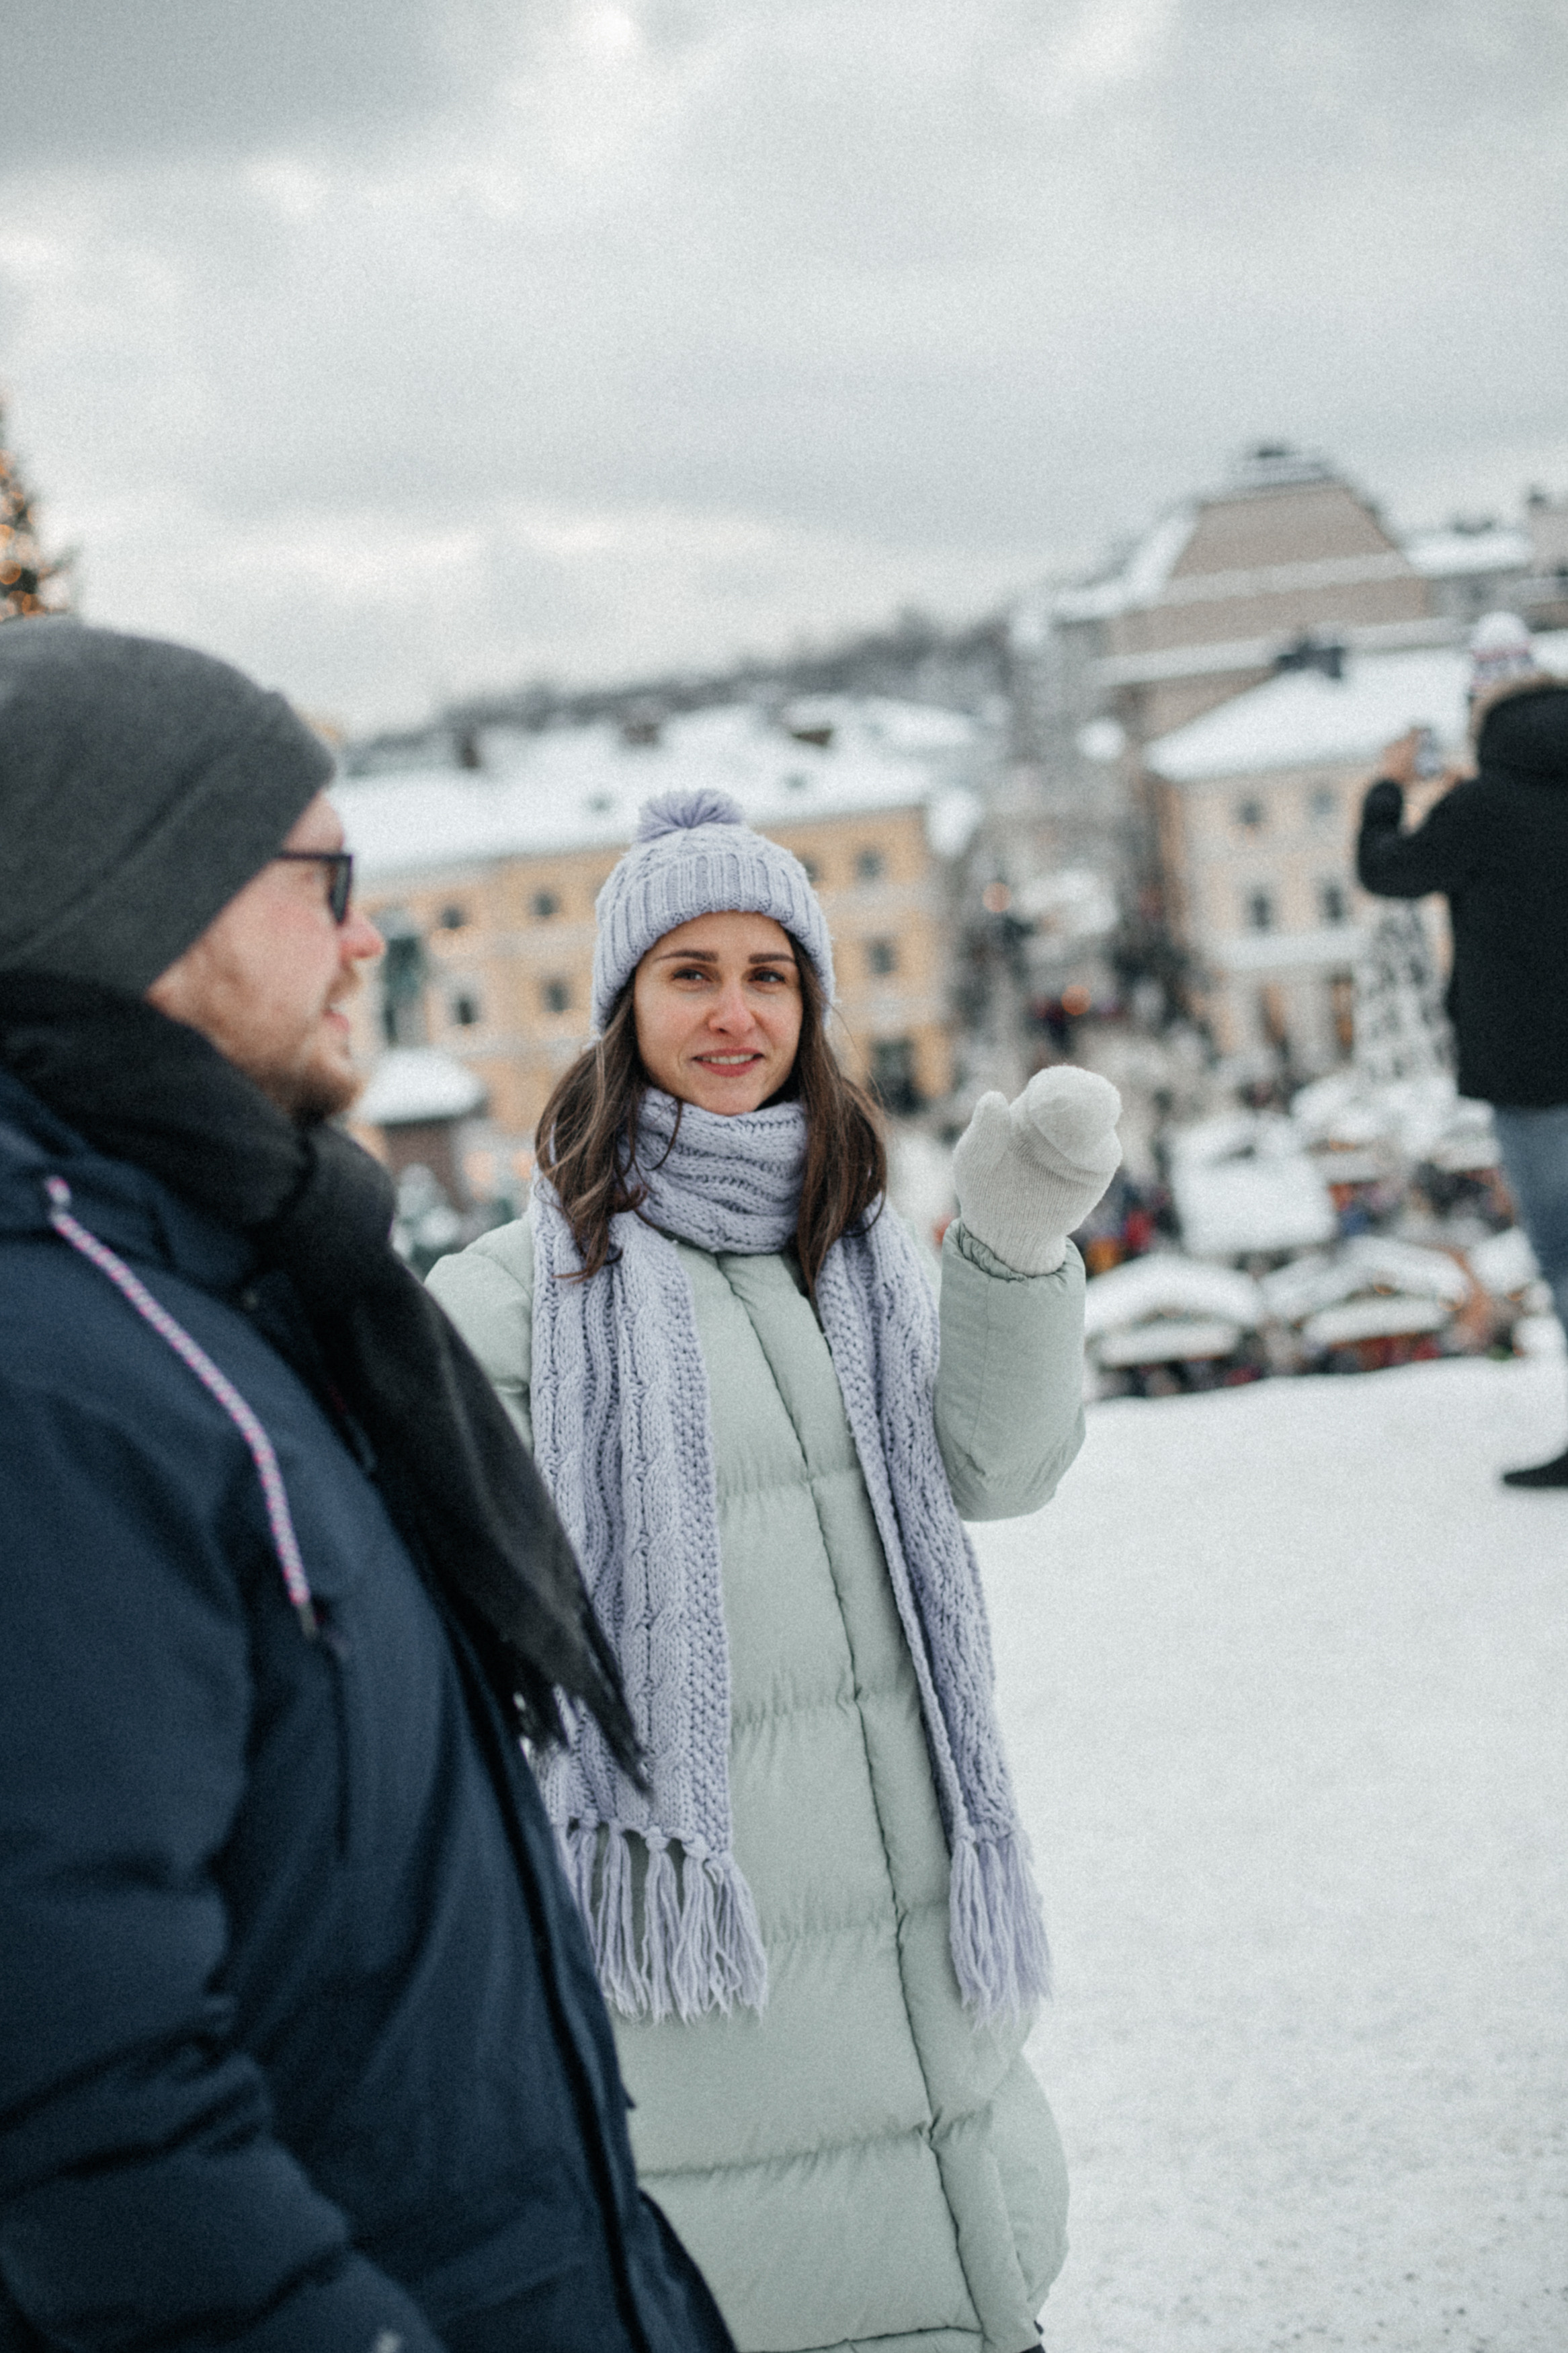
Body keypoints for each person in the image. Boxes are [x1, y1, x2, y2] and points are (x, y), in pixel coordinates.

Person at [0, 619, 734, 2353]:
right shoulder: (57, 1374)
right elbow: (74, 2079)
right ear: (135, 898)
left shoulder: (222, 1289)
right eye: (325, 877)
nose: (368, 935)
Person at [429, 788, 1121, 2353]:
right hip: (706, 2003)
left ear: (811, 1001)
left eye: (769, 971)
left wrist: (1012, 1255)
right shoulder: (511, 1303)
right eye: (689, 971)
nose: (734, 1010)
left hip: (927, 1976)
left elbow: (1003, 1471)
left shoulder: (856, 1260)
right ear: (622, 1008)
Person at [1357, 612, 1568, 1488]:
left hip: (1528, 1070)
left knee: (1563, 1251)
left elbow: (1386, 870)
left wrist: (1385, 786)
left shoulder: (1476, 806)